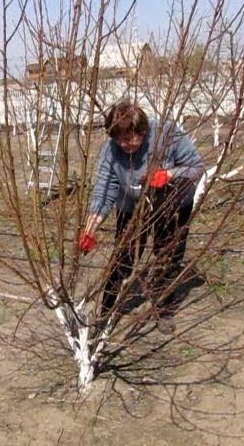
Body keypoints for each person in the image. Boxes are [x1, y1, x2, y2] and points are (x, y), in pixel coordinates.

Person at [79, 100, 203, 333]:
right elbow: (104, 188)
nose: (124, 144)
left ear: (142, 130)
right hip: (133, 205)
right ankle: (105, 312)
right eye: (119, 139)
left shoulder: (167, 134)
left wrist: (169, 174)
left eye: (129, 139)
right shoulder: (112, 150)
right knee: (122, 257)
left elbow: (197, 167)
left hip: (172, 204)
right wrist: (90, 227)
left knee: (166, 255)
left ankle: (164, 310)